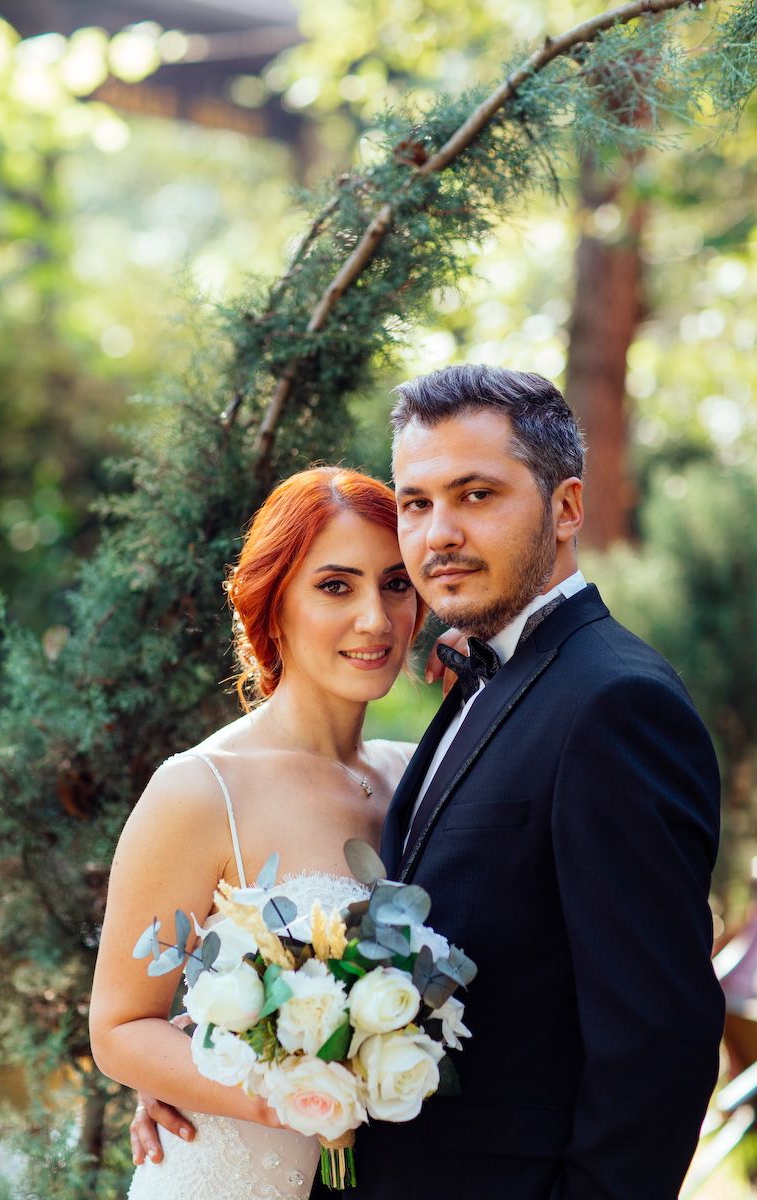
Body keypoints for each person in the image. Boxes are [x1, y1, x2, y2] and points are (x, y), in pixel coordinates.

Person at [132, 364, 724, 1200]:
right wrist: (222, 1057)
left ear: (566, 508)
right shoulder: (482, 684)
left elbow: (659, 1040)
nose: (438, 534)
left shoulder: (613, 702)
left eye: (476, 495)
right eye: (416, 503)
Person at [89, 465, 426, 1200]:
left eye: (396, 584)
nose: (375, 618)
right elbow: (118, 1028)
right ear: (273, 608)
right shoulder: (201, 789)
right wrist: (296, 1095)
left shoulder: (419, 774)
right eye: (335, 586)